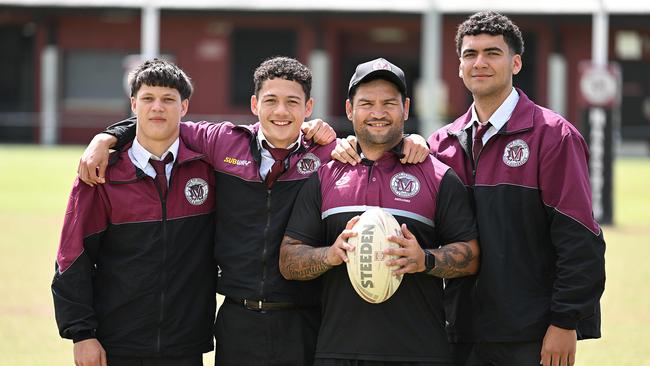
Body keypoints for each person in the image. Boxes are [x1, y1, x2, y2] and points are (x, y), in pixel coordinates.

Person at [76, 56, 430, 365]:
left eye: (292, 102)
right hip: (236, 319)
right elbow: (161, 121)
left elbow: (374, 145)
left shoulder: (330, 153)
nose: (280, 111)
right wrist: (106, 138)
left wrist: (411, 141)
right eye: (271, 100)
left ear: (308, 108)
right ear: (253, 104)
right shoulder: (221, 141)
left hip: (305, 321)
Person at [426, 12, 606, 366]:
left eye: (492, 53)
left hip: (531, 333)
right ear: (460, 66)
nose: (479, 62)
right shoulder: (440, 144)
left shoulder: (554, 136)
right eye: (470, 54)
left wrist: (564, 321)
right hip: (458, 330)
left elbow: (580, 237)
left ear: (516, 63)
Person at [279, 57, 480, 365]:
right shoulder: (325, 176)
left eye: (389, 103)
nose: (377, 113)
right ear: (349, 110)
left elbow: (471, 256)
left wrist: (422, 260)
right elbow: (289, 260)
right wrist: (330, 255)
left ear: (406, 108)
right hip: (339, 353)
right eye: (366, 103)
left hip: (420, 354)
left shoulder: (437, 176)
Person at [52, 59, 217, 366]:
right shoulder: (101, 174)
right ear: (133, 104)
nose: (158, 107)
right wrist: (82, 334)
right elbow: (72, 256)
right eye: (148, 99)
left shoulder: (208, 169)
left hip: (186, 345)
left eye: (168, 99)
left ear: (184, 107)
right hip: (117, 344)